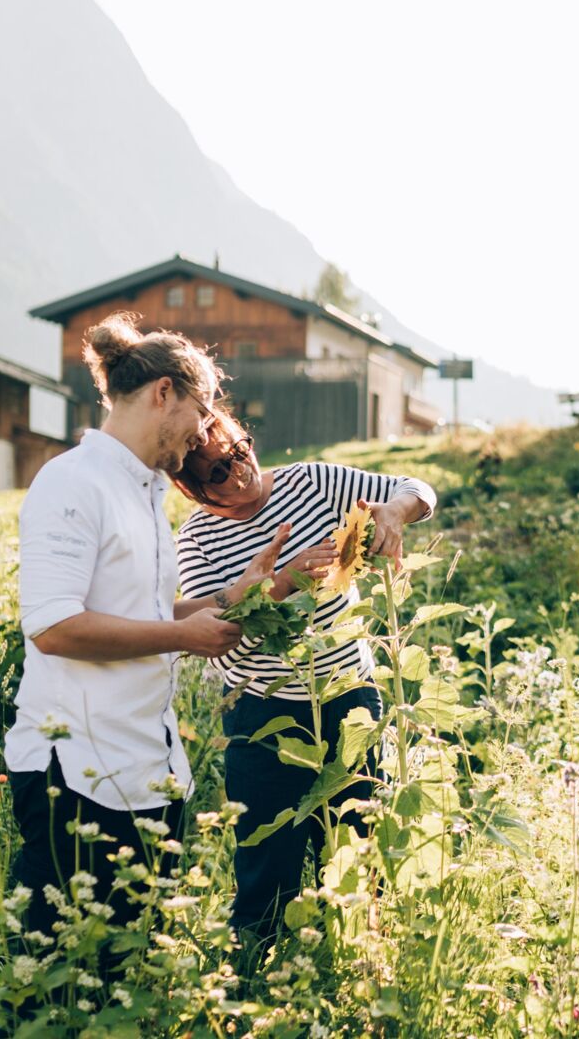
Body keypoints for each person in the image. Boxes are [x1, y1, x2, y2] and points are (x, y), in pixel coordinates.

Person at [8, 312, 275, 946]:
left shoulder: (145, 493)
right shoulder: (74, 481)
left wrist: (232, 599)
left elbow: (146, 614)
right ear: (163, 393)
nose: (205, 434)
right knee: (66, 983)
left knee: (133, 973)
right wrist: (185, 637)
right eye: (202, 411)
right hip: (75, 775)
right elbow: (54, 626)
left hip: (146, 770)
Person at [170, 406, 436, 951]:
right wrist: (283, 583)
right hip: (263, 712)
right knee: (267, 862)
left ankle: (360, 962)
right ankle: (253, 979)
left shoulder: (311, 482)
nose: (239, 472)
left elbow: (420, 490)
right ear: (192, 487)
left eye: (239, 451)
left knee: (358, 846)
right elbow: (208, 628)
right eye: (218, 472)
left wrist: (392, 510)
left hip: (347, 696)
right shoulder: (196, 539)